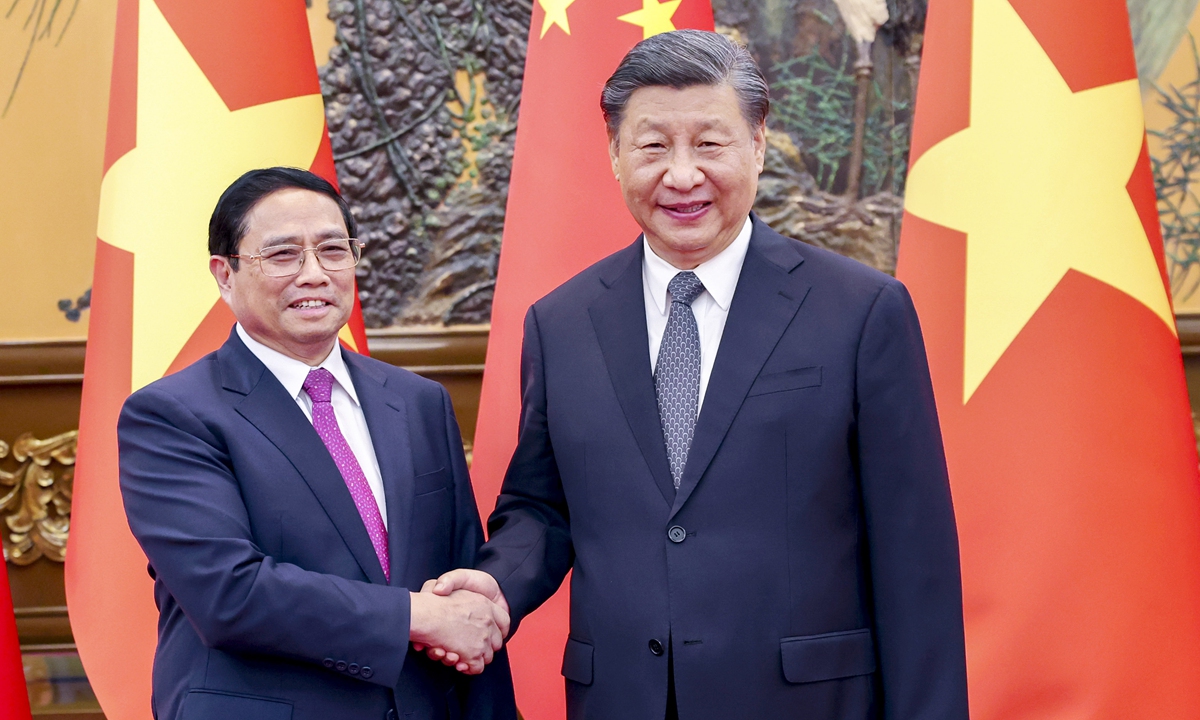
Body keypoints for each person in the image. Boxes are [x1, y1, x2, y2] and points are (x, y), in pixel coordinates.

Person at [426, 30, 969, 719]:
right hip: (624, 699)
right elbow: (544, 508)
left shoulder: (860, 311)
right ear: (616, 156)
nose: (682, 176)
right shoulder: (560, 324)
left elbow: (913, 555)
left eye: (710, 144)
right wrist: (494, 588)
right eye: (653, 147)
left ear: (759, 144)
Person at [117, 167, 516, 720]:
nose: (314, 273)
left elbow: (462, 586)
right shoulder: (172, 415)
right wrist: (412, 616)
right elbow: (229, 595)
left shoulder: (418, 402)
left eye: (333, 249)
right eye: (283, 255)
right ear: (225, 274)